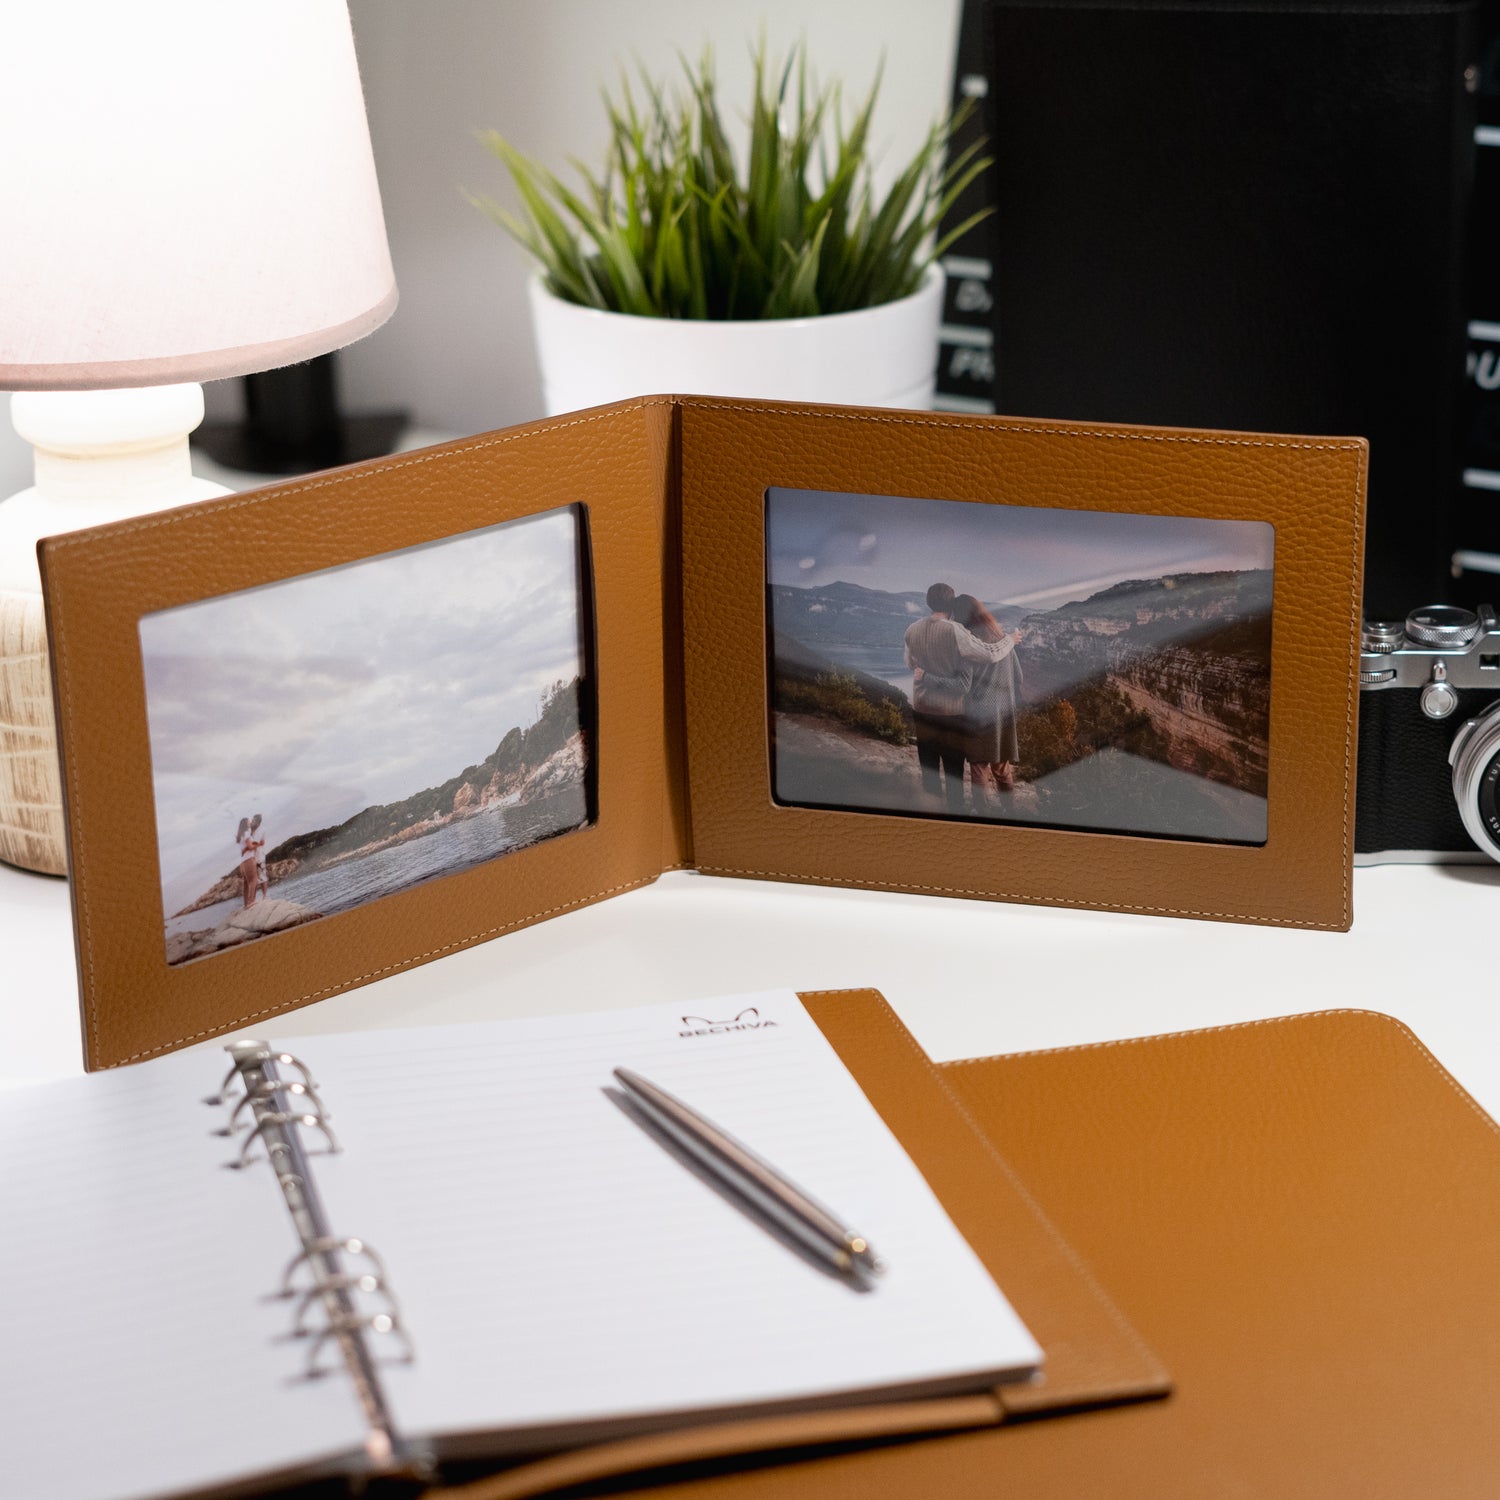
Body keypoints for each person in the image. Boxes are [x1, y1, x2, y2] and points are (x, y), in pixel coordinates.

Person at [902, 582, 1016, 813]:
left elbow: (910, 663)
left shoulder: (912, 628)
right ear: (950, 602)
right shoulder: (957, 632)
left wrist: (925, 672)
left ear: (928, 601)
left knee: (930, 766)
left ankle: (931, 810)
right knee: (956, 768)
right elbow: (990, 655)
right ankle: (958, 811)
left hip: (923, 708)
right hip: (953, 711)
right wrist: (1011, 640)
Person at [951, 593, 1024, 804]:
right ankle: (1009, 813)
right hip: (1003, 713)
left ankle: (982, 817)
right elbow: (1018, 676)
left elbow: (962, 684)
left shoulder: (968, 644)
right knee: (1002, 768)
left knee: (978, 768)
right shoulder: (1003, 639)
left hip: (977, 715)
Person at [234, 815, 264, 910]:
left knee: (246, 883)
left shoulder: (241, 835)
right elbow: (250, 847)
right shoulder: (246, 833)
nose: (250, 822)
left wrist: (249, 847)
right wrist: (259, 844)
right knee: (253, 880)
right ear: (245, 824)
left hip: (242, 862)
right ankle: (252, 901)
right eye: (249, 821)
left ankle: (246, 904)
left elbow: (246, 848)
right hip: (248, 860)